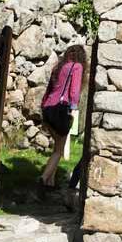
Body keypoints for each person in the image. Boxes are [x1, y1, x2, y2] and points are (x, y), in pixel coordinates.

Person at [39, 44, 86, 187]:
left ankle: (50, 183)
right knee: (59, 150)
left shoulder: (59, 67)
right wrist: (73, 108)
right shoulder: (77, 67)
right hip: (60, 109)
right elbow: (74, 91)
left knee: (56, 147)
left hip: (47, 108)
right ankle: (42, 180)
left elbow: (50, 88)